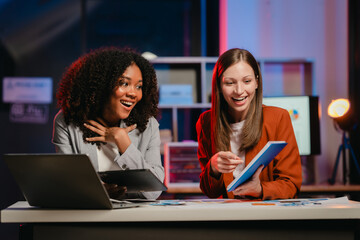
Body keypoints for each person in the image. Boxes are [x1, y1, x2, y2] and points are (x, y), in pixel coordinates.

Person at [52, 47, 164, 200]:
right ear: (102, 85)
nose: (133, 93)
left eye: (139, 86)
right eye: (124, 83)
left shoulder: (148, 126)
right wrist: (97, 191)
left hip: (133, 219)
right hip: (87, 218)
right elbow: (66, 183)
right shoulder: (68, 122)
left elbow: (153, 191)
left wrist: (123, 142)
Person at [196, 48, 302, 200]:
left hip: (266, 217)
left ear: (257, 82)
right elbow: (210, 192)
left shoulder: (278, 118)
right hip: (228, 217)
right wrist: (213, 168)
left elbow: (292, 185)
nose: (239, 91)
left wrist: (260, 189)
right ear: (219, 85)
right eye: (230, 83)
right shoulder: (206, 122)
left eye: (247, 81)